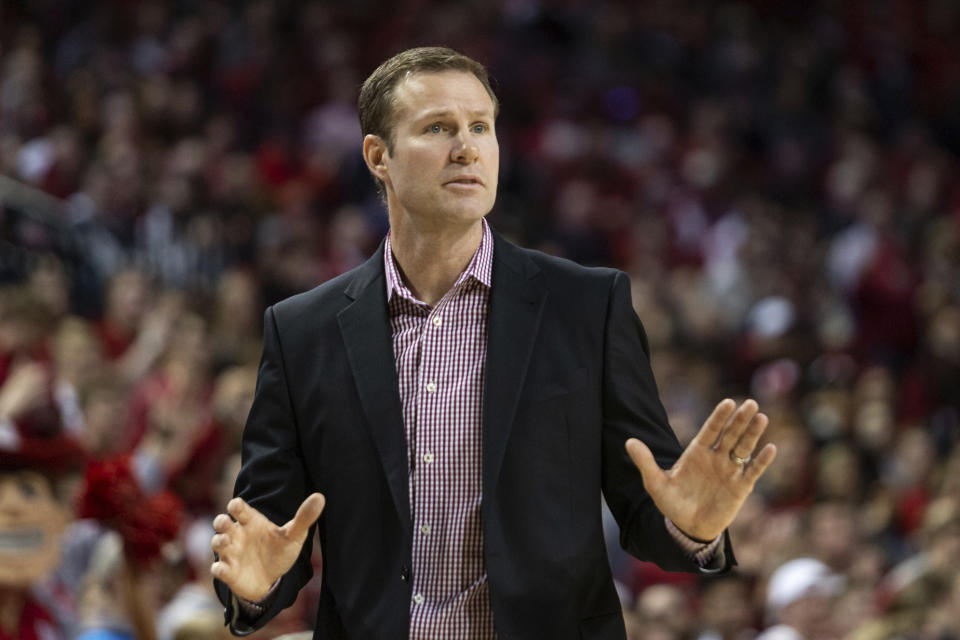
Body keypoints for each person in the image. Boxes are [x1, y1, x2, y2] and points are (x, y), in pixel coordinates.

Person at [209, 47, 777, 639]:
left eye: (481, 126)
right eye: (438, 127)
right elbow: (271, 533)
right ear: (379, 156)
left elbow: (646, 505)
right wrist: (256, 587)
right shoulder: (302, 331)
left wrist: (693, 530)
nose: (467, 146)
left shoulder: (586, 306)